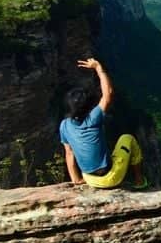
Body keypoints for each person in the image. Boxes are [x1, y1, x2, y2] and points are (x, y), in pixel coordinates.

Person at [60, 58, 148, 190]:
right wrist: (99, 69)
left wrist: (76, 180)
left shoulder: (64, 125)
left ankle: (80, 179)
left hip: (89, 179)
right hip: (109, 178)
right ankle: (139, 181)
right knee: (127, 138)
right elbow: (108, 94)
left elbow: (69, 154)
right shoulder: (94, 117)